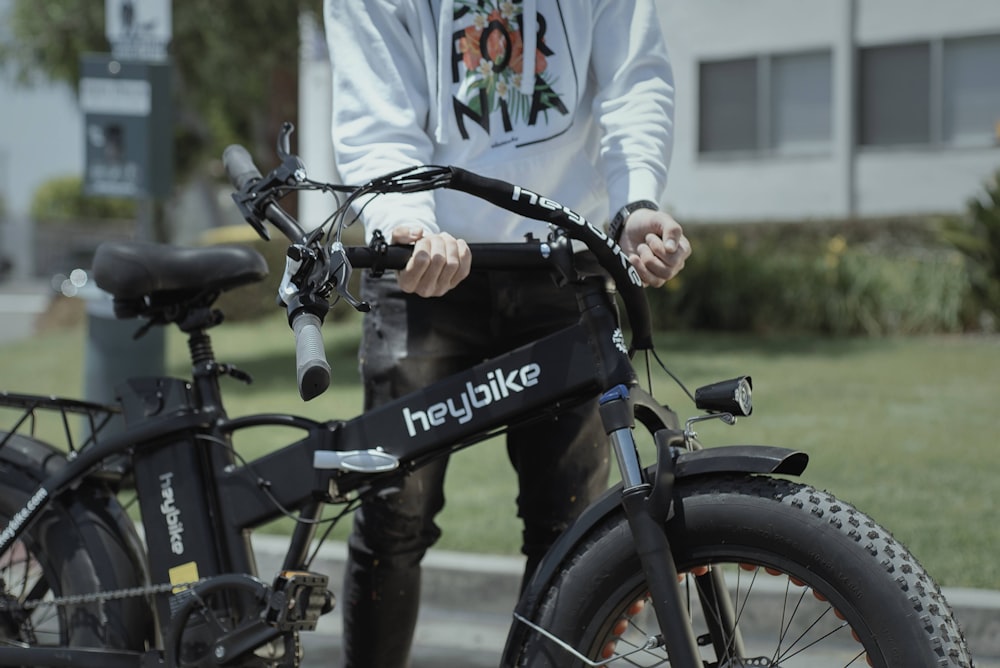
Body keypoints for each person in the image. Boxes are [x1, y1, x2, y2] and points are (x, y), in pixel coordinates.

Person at [323, 1, 690, 665]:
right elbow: (377, 109)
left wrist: (636, 200)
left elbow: (633, 81)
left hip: (562, 264)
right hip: (425, 265)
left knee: (567, 530)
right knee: (396, 516)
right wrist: (409, 223)